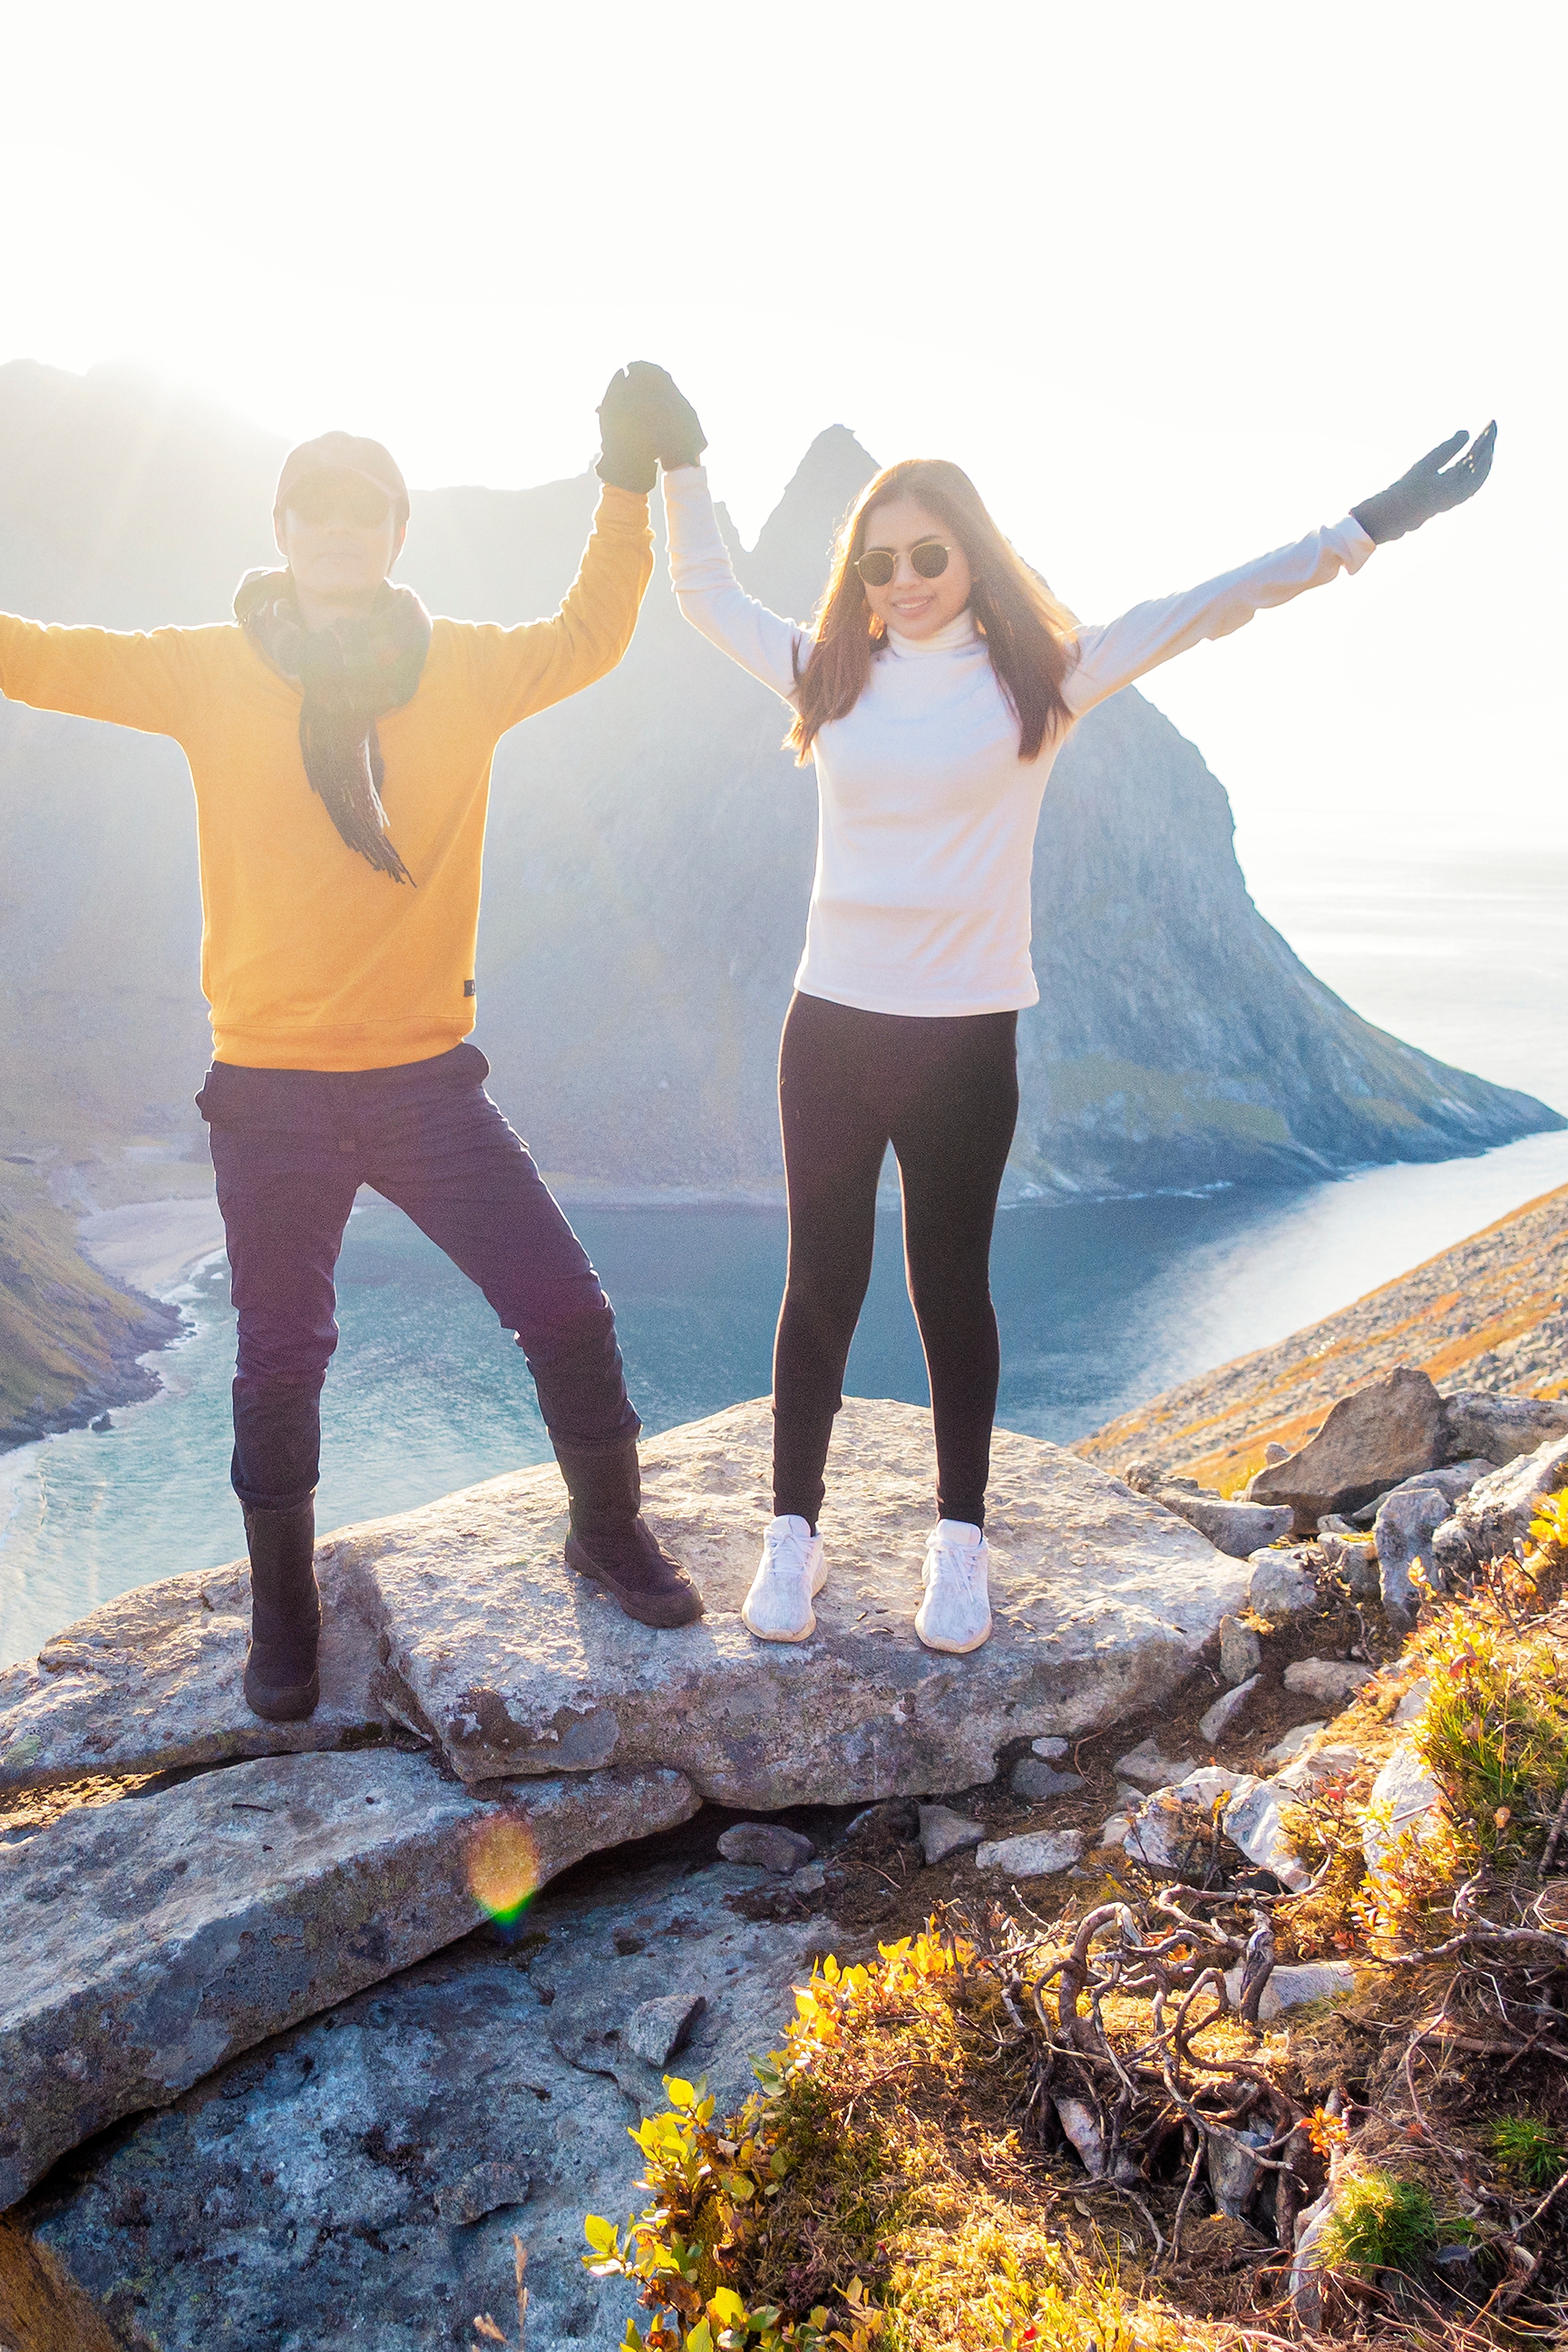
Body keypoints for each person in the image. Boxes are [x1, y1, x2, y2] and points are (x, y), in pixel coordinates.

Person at [0, 367, 707, 1725]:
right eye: (315, 509)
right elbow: (35, 656)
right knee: (280, 1361)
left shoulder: (467, 671)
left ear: (396, 534)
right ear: (282, 529)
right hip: (272, 1092)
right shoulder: (209, 671)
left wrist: (624, 480)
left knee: (567, 1308)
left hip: (425, 1082)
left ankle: (607, 1532)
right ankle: (285, 1612)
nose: (339, 530)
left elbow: (593, 631)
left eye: (364, 511)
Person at [627, 366, 1495, 1654]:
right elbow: (703, 593)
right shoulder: (828, 677)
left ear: (972, 554)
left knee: (951, 1294)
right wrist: (684, 460)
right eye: (879, 563)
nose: (904, 581)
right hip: (833, 1030)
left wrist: (1370, 525)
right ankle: (792, 1534)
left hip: (966, 1041)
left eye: (928, 555)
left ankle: (959, 1543)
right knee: (820, 1290)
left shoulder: (1042, 678)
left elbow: (1211, 606)